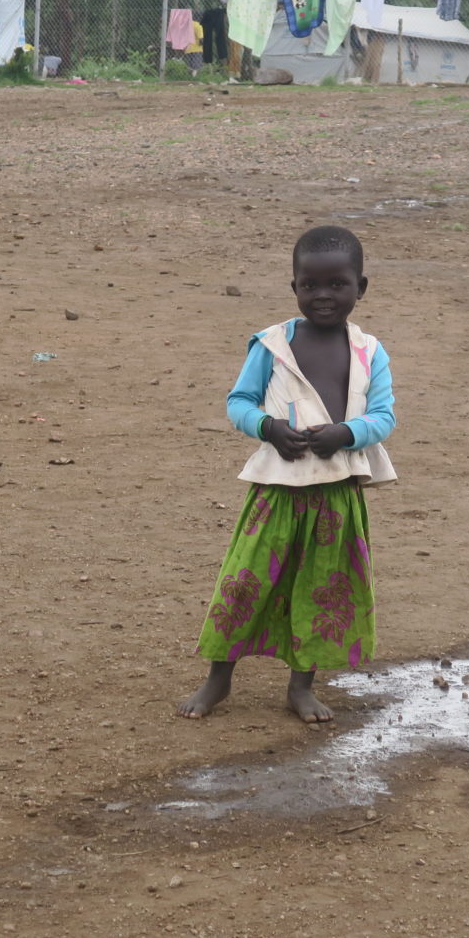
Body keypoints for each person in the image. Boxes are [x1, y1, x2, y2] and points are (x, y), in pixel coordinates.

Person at [177, 225, 395, 725]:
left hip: (336, 497)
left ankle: (301, 686)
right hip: (276, 492)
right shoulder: (272, 346)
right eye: (310, 285)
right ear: (293, 287)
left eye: (337, 285)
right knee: (245, 582)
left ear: (361, 287)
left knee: (322, 588)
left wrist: (347, 433)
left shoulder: (369, 351)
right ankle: (219, 677)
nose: (323, 296)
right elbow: (239, 403)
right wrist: (268, 427)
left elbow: (384, 417)